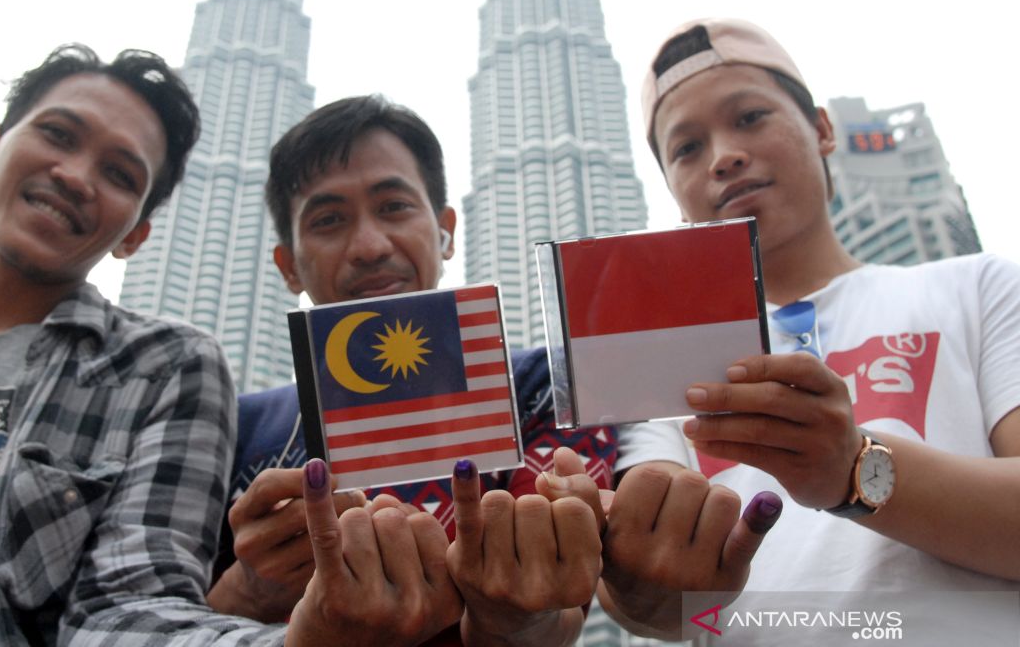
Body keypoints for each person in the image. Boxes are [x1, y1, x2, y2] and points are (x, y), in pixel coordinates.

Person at [0, 45, 363, 645]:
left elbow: (128, 606)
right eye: (57, 134)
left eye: (119, 175)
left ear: (135, 234)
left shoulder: (165, 369)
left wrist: (299, 640)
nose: (75, 176)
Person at [207, 95, 782, 644]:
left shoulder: (543, 388)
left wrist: (512, 619)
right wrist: (249, 589)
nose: (369, 244)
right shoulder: (236, 428)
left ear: (446, 229)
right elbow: (146, 613)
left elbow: (560, 615)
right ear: (287, 264)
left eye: (394, 206)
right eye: (328, 219)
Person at [634, 18, 1020, 640]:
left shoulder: (981, 288)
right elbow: (655, 608)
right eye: (686, 148)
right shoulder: (656, 372)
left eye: (750, 117)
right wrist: (614, 560)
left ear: (821, 128)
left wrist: (852, 470)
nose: (724, 155)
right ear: (676, 198)